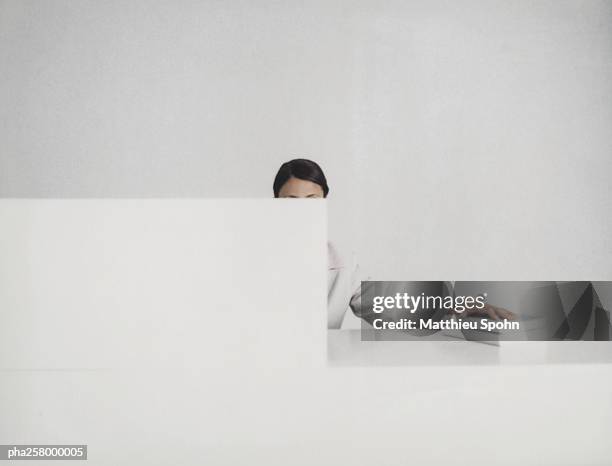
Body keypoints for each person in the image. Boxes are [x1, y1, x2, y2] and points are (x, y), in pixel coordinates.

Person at [273, 158, 515, 329]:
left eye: (312, 200)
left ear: (325, 201)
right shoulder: (248, 254)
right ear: (275, 203)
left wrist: (460, 306)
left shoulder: (342, 263)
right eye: (292, 201)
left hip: (314, 377)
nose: (303, 210)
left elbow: (390, 304)